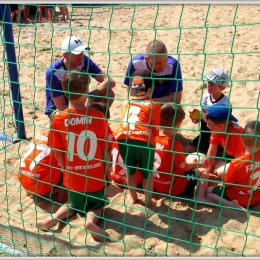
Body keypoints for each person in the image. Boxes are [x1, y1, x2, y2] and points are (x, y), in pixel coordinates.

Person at [38, 70, 115, 242]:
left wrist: (66, 170)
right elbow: (107, 149)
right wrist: (107, 171)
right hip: (96, 176)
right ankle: (90, 221)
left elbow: (58, 152)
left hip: (74, 177)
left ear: (65, 92)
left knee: (71, 205)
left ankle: (53, 218)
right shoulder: (98, 116)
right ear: (86, 91)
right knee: (99, 206)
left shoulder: (58, 119)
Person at [116, 69, 161, 207]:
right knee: (148, 173)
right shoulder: (154, 105)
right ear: (150, 89)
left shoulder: (125, 103)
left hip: (123, 139)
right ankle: (148, 200)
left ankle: (133, 196)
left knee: (131, 171)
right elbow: (155, 130)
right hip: (143, 141)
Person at [44, 35, 116, 117]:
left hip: (80, 102)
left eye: (82, 52)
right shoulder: (53, 72)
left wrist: (93, 94)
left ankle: (100, 123)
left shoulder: (84, 60)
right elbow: (61, 108)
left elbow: (110, 81)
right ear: (65, 55)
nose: (81, 56)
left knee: (109, 93)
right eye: (77, 53)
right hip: (58, 110)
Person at [153, 104, 210, 203]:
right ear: (176, 125)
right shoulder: (174, 145)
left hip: (154, 184)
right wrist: (195, 164)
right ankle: (200, 197)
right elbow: (183, 167)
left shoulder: (152, 138)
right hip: (174, 187)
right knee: (203, 170)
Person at [207, 121, 260, 210]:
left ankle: (230, 205)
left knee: (208, 192)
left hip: (239, 198)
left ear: (242, 139)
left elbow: (227, 184)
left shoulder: (236, 163)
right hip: (257, 198)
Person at [185, 68, 231, 154]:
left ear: (221, 88)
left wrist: (205, 117)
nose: (208, 86)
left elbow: (224, 125)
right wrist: (195, 118)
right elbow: (200, 117)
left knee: (208, 160)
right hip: (204, 135)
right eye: (208, 82)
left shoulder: (226, 103)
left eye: (212, 84)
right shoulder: (205, 96)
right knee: (186, 150)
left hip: (217, 138)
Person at [18, 131, 66, 201]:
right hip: (41, 187)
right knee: (72, 164)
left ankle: (31, 190)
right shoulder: (60, 139)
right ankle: (64, 195)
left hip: (24, 181)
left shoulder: (39, 135)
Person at [204, 103, 245, 174]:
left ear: (220, 126)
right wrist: (209, 172)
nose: (207, 126)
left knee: (219, 172)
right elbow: (211, 152)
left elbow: (240, 160)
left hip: (244, 157)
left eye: (209, 124)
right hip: (230, 154)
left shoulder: (235, 135)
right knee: (213, 170)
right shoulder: (216, 130)